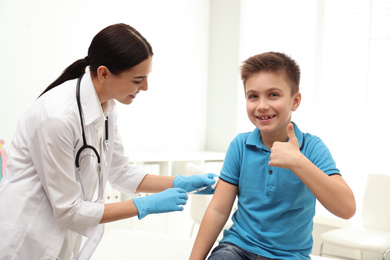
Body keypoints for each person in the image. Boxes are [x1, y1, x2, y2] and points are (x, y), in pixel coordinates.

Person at [0, 23, 217, 260]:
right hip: (27, 241)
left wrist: (180, 182)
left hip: (60, 238)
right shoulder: (56, 117)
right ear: (104, 73)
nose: (145, 87)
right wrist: (144, 206)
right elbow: (69, 211)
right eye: (137, 80)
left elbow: (120, 171)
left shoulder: (106, 105)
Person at [189, 52, 356, 260]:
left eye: (273, 94)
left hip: (288, 256)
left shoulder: (312, 148)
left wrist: (298, 162)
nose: (262, 105)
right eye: (253, 96)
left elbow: (347, 209)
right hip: (237, 248)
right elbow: (218, 211)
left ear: (295, 101)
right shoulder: (240, 146)